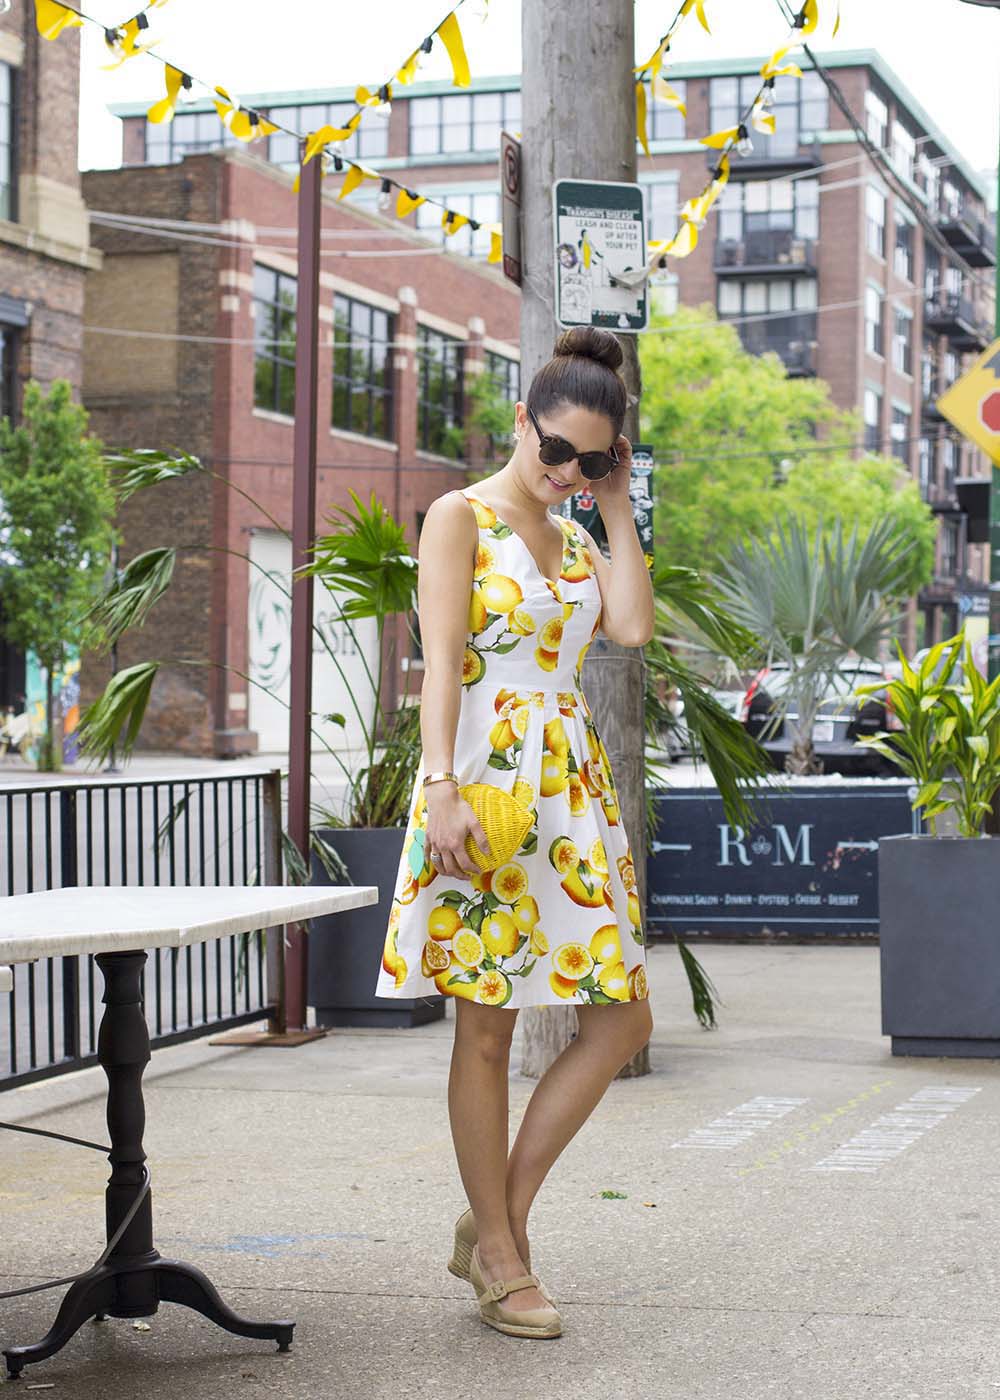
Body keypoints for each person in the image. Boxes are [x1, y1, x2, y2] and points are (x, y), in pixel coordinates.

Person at [375, 326, 655, 1340]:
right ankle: (499, 1254)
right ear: (519, 423)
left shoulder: (580, 534)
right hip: (484, 784)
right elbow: (439, 662)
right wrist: (440, 785)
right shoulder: (461, 516)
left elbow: (626, 627)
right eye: (555, 451)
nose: (566, 471)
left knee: (622, 1017)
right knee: (486, 1025)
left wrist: (615, 506)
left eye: (591, 459)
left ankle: (497, 1218)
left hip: (570, 791)